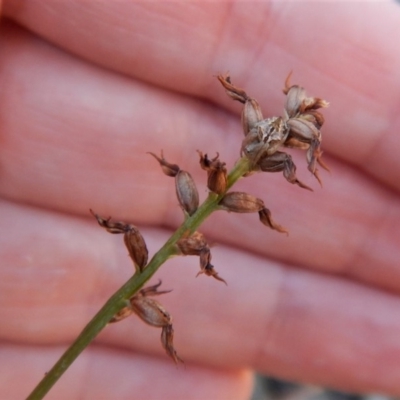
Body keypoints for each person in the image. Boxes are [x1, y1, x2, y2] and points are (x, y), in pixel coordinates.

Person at [1, 1, 400, 399]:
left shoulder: (250, 163)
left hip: (225, 186)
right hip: (219, 188)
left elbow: (242, 164)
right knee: (153, 228)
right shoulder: (238, 162)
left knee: (172, 247)